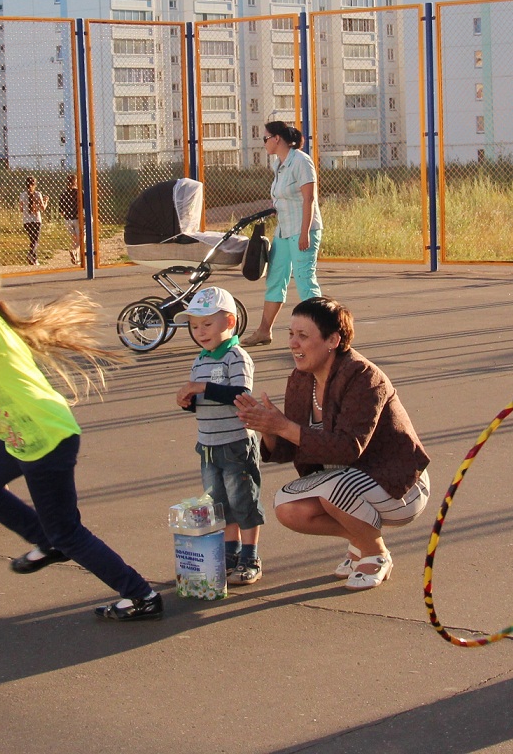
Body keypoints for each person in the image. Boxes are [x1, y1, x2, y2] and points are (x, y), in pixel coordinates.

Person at [0, 245, 162, 622]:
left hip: (45, 437)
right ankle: (47, 541)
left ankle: (141, 595)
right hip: (22, 438)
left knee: (69, 533)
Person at [236, 297, 429, 590]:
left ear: (333, 340)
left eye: (303, 336)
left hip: (399, 485)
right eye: (290, 334)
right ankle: (360, 540)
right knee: (287, 507)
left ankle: (376, 554)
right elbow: (291, 447)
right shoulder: (301, 379)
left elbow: (348, 448)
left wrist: (284, 426)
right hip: (344, 484)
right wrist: (268, 428)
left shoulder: (365, 377)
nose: (292, 344)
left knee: (330, 489)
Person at [173, 286, 264, 586]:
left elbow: (240, 393)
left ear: (230, 322)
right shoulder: (200, 360)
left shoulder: (236, 357)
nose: (200, 332)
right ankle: (230, 553)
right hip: (208, 445)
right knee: (219, 505)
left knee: (243, 500)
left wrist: (200, 389)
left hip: (236, 444)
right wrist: (188, 401)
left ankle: (251, 556)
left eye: (207, 324)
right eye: (194, 326)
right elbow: (202, 402)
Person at [241, 121, 321, 347]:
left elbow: (309, 199)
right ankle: (263, 332)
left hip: (302, 230)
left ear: (277, 139)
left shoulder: (301, 161)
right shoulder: (279, 164)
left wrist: (305, 233)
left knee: (305, 281)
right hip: (284, 231)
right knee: (275, 279)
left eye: (265, 138)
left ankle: (323, 331)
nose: (264, 143)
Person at [19, 177, 48, 266]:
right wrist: (45, 201)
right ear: (34, 185)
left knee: (32, 239)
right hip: (36, 220)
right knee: (35, 240)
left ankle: (34, 260)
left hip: (26, 221)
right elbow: (43, 208)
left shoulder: (22, 195)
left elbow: (21, 209)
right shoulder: (38, 194)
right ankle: (31, 254)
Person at [60, 173, 81, 265]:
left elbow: (61, 210)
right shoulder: (79, 192)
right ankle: (75, 251)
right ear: (75, 182)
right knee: (80, 239)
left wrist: (66, 215)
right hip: (77, 218)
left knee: (74, 239)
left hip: (68, 219)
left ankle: (76, 257)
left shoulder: (64, 194)